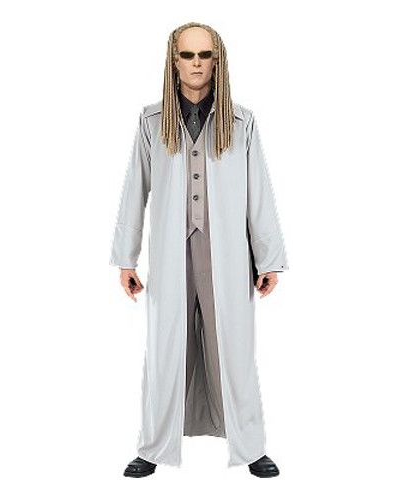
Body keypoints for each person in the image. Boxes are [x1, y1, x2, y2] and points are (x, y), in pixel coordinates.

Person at [110, 22, 288, 478]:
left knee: (234, 346)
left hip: (226, 251)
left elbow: (258, 192)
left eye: (204, 55)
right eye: (187, 55)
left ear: (217, 61)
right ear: (174, 61)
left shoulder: (240, 122)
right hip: (171, 251)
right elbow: (135, 189)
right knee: (165, 346)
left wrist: (268, 259)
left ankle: (250, 446)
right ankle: (153, 446)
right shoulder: (152, 122)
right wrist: (127, 258)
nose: (196, 64)